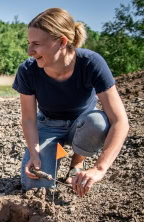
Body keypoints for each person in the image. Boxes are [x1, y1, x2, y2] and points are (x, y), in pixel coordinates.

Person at [12, 8, 129, 197]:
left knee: (98, 122)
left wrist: (99, 168)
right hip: (48, 124)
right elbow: (29, 120)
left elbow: (120, 121)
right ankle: (55, 152)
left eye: (36, 44)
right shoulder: (28, 71)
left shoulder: (91, 63)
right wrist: (34, 155)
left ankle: (77, 161)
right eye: (28, 43)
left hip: (83, 124)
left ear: (62, 42)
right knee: (36, 186)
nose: (29, 51)